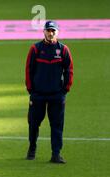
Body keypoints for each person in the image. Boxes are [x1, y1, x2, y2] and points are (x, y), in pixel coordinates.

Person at [25, 20, 74, 163]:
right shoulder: (35, 49)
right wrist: (31, 90)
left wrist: (65, 89)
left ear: (57, 32)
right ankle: (32, 148)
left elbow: (69, 70)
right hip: (38, 94)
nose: (50, 33)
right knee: (33, 123)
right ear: (44, 32)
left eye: (53, 31)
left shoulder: (63, 50)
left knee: (57, 125)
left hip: (56, 95)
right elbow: (29, 70)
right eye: (48, 30)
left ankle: (56, 154)